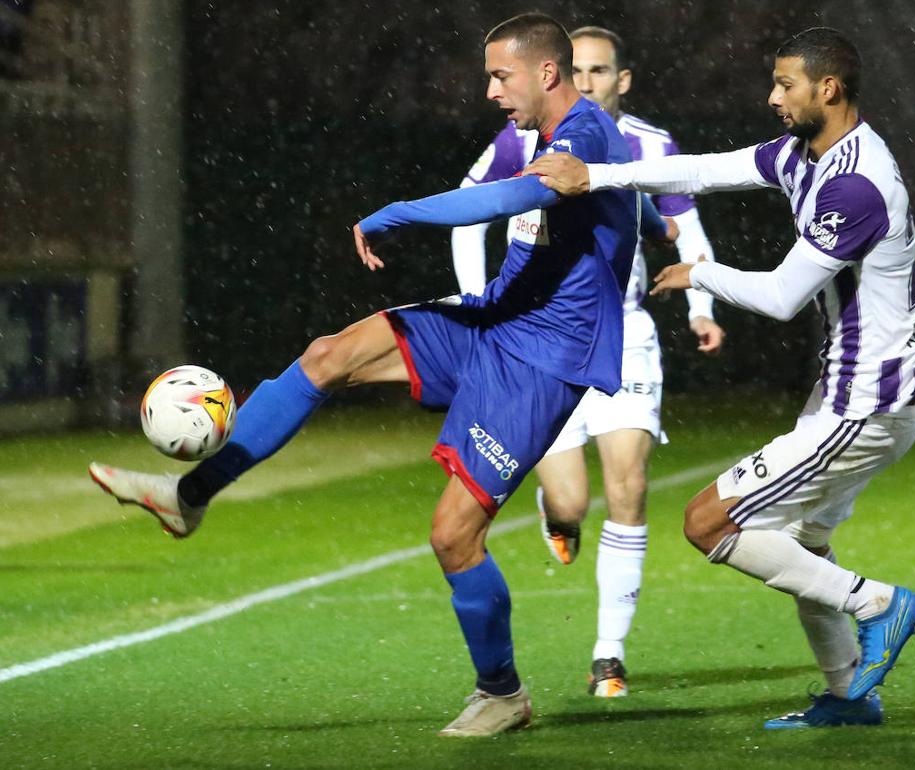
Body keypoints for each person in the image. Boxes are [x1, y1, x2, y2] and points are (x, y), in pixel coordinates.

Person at [87, 12, 639, 738]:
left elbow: (516, 198)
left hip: (542, 361)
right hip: (495, 320)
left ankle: (501, 693)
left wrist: (398, 213)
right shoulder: (533, 133)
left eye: (500, 76)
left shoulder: (589, 131)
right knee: (327, 355)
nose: (489, 92)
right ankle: (188, 494)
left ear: (544, 72)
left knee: (453, 537)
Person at [528, 27, 915, 730]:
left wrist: (699, 273)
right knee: (802, 543)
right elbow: (705, 170)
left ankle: (877, 604)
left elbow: (781, 298)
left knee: (708, 521)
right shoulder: (806, 154)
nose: (772, 97)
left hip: (870, 400)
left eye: (785, 85)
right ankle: (848, 697)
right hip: (856, 390)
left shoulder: (857, 184)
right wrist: (597, 177)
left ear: (827, 89)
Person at [450, 25, 725, 698]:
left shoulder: (649, 143)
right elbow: (466, 214)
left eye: (601, 69)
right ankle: (559, 512)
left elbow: (684, 221)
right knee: (572, 497)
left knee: (627, 486)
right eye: (579, 68)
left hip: (624, 330)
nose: (591, 79)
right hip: (541, 336)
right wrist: (475, 301)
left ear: (622, 79)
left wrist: (703, 305)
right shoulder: (519, 139)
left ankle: (608, 652)